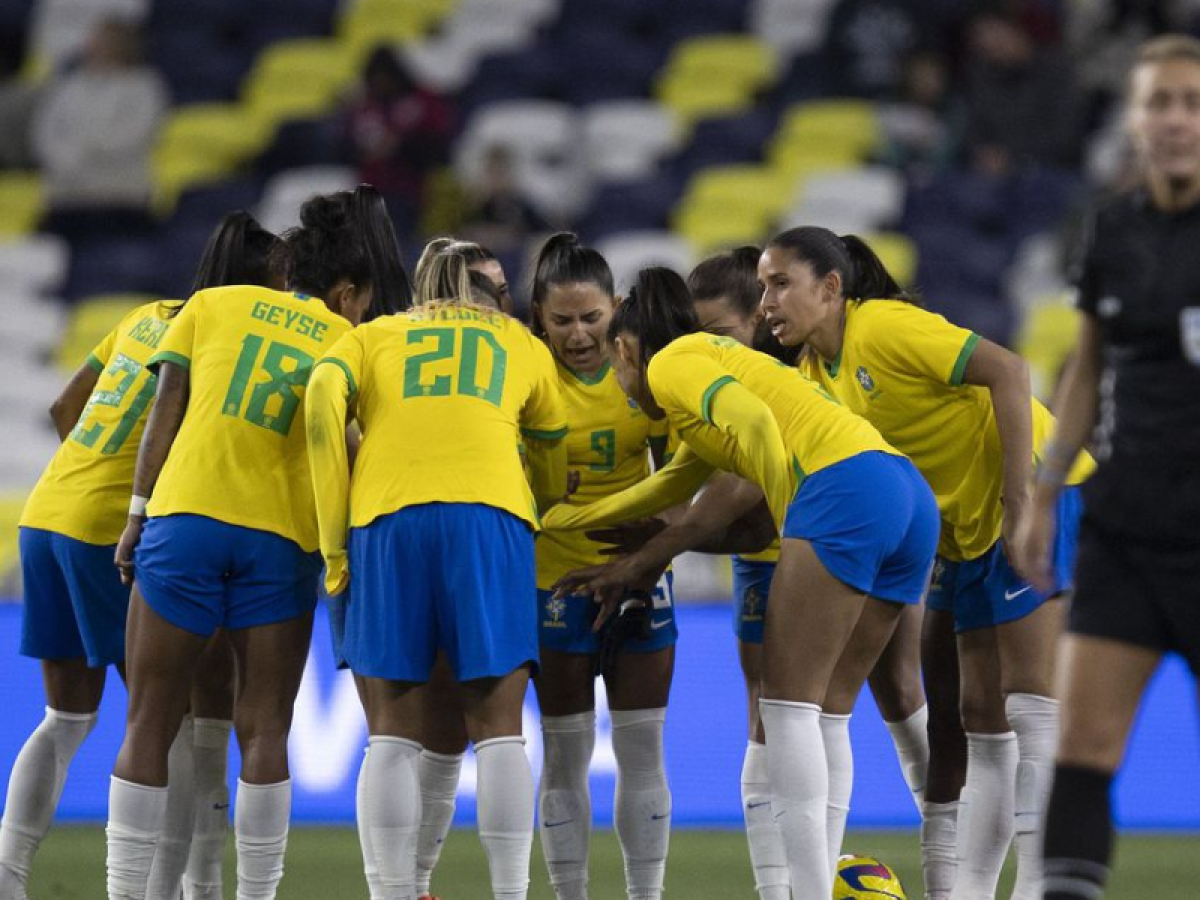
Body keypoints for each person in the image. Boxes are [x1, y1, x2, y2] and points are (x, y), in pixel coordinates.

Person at [543, 266, 939, 898]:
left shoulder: (672, 364)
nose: (621, 387)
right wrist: (565, 518)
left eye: (619, 372)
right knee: (824, 713)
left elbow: (753, 423)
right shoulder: (710, 361)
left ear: (625, 348)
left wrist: (792, 514)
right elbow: (669, 486)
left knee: (784, 711)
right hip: (904, 494)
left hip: (840, 492)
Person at [758, 226, 1091, 900]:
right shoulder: (813, 373)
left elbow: (1009, 369)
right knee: (974, 716)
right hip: (964, 531)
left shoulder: (882, 328)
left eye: (779, 283)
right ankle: (965, 892)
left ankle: (1038, 888)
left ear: (830, 289)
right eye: (762, 286)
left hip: (1027, 494)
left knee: (1029, 706)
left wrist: (1022, 498)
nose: (766, 300)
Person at [104, 187, 398, 900]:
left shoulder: (209, 305)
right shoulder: (347, 340)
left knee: (149, 718)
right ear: (346, 289)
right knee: (265, 728)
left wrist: (136, 516)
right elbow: (355, 448)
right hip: (281, 540)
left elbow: (162, 415)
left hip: (187, 520)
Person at [0, 211, 282, 900]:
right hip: (110, 531)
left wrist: (93, 475)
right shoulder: (227, 338)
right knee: (171, 721)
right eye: (280, 282)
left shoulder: (145, 315)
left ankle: (7, 877)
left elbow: (67, 406)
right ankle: (175, 889)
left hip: (48, 511)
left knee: (66, 718)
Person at [305, 247, 567, 900]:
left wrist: (333, 541)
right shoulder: (519, 342)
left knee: (391, 732)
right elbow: (553, 449)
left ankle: (393, 892)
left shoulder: (372, 337)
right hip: (491, 514)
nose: (508, 301)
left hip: (385, 517)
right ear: (482, 293)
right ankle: (511, 893)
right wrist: (538, 501)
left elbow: (317, 407)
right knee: (499, 729)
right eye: (500, 288)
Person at [1012, 34, 1200, 900]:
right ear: (1132, 119)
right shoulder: (1113, 227)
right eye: (1159, 102)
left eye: (1192, 103)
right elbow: (1086, 367)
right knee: (1082, 753)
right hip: (1126, 524)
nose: (1175, 120)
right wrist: (1046, 493)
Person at [521, 234, 676, 900]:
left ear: (617, 308)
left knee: (642, 752)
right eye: (563, 321)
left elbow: (680, 474)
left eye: (592, 318)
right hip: (554, 579)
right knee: (564, 756)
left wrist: (656, 539)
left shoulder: (648, 370)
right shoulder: (525, 374)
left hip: (640, 576)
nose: (579, 335)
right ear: (538, 317)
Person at [31, 17, 168, 242]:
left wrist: (85, 149)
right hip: (66, 199)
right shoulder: (68, 86)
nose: (91, 43)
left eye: (100, 38)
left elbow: (135, 134)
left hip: (121, 199)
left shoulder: (144, 85)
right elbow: (46, 131)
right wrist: (65, 158)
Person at [341, 45, 454, 240]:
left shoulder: (423, 102)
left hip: (413, 191)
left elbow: (441, 146)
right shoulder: (364, 107)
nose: (381, 84)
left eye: (384, 78)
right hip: (371, 193)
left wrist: (400, 147)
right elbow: (345, 148)